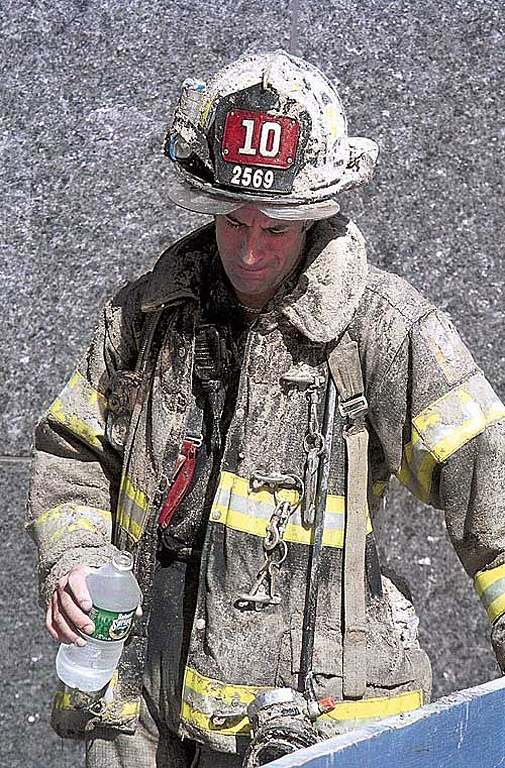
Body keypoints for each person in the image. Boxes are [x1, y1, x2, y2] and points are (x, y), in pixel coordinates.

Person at [27, 50, 505, 768]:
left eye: (275, 229)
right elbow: (73, 454)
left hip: (287, 727)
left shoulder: (384, 329)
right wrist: (77, 557)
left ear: (315, 215)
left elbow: (491, 495)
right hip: (135, 713)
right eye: (234, 224)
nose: (249, 251)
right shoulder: (146, 315)